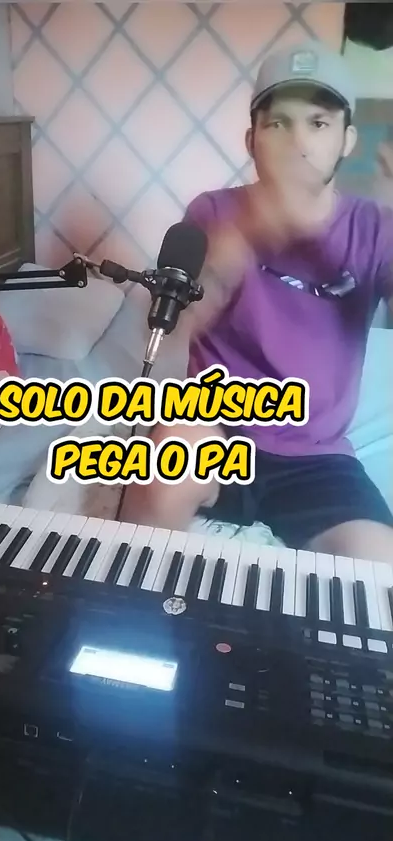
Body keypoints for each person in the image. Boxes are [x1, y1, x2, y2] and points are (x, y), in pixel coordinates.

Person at [119, 40, 393, 562]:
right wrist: (247, 235)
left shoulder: (374, 228)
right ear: (251, 140)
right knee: (158, 486)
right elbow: (172, 330)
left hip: (316, 456)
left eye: (318, 123)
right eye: (278, 124)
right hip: (212, 424)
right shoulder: (213, 212)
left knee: (380, 567)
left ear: (347, 140)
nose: (298, 142)